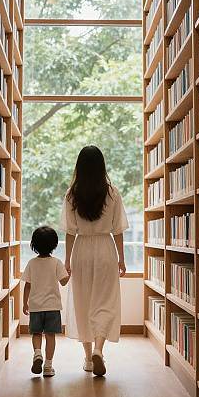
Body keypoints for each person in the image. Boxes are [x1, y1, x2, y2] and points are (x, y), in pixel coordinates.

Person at [61, 145, 129, 376]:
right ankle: (100, 348)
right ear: (102, 166)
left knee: (82, 301)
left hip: (81, 249)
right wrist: (121, 259)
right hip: (105, 249)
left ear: (79, 166)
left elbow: (70, 231)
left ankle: (88, 357)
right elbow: (118, 229)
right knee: (105, 300)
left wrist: (67, 261)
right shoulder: (112, 192)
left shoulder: (72, 194)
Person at [22, 226, 69, 377]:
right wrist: (70, 272)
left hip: (35, 307)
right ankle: (48, 366)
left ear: (33, 245)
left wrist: (25, 303)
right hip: (52, 307)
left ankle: (37, 354)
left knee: (36, 333)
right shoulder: (56, 262)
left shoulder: (31, 263)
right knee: (50, 336)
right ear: (54, 245)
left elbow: (27, 285)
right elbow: (63, 282)